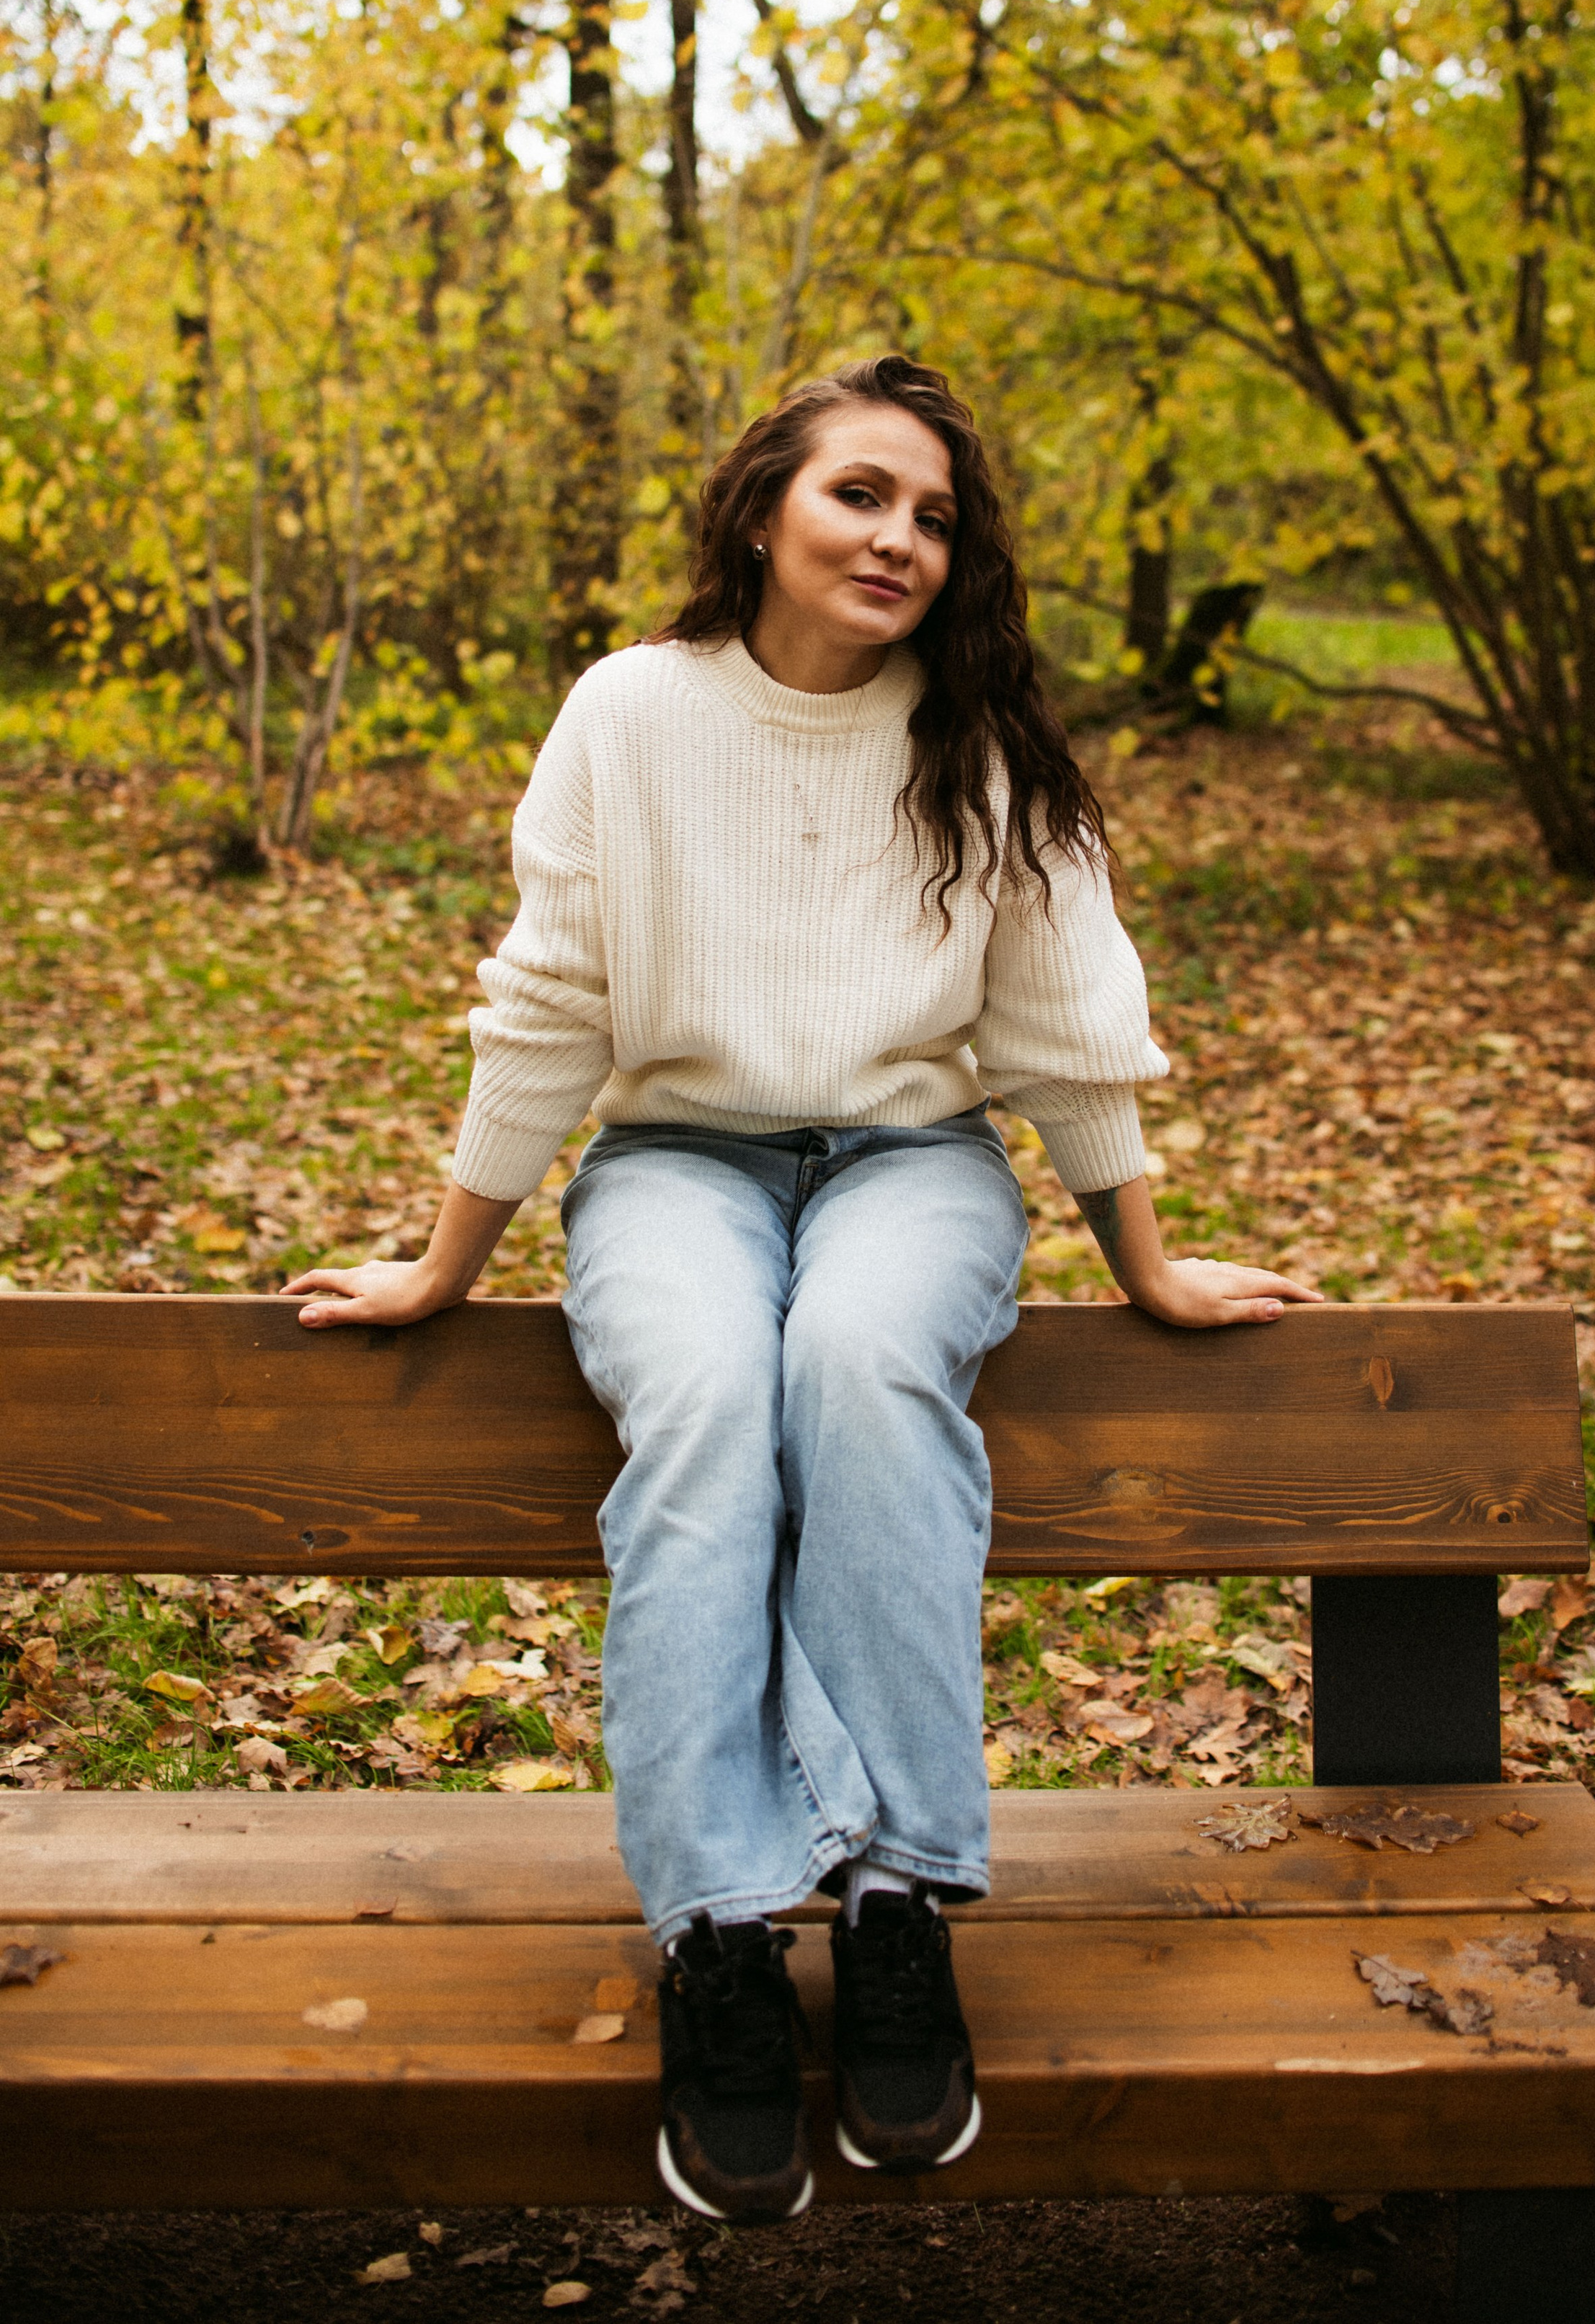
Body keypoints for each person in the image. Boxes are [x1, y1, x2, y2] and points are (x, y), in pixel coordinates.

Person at [284, 355, 1320, 2226]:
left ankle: (902, 1895)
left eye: (932, 515)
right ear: (766, 505)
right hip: (679, 1159)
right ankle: (722, 1937)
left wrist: (1144, 1257)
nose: (899, 538)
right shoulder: (629, 715)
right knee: (697, 1396)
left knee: (852, 1359)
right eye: (861, 495)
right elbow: (551, 1006)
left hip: (916, 1164)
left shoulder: (980, 741)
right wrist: (449, 1259)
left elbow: (1068, 1032)